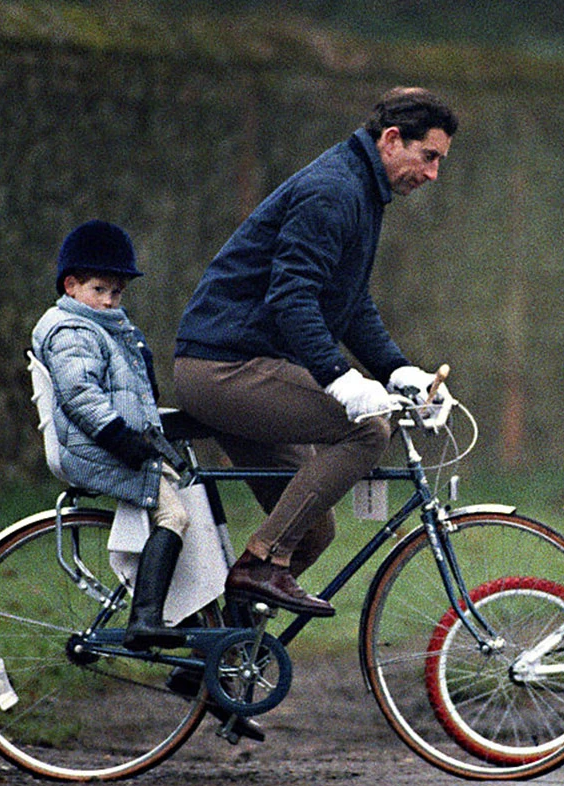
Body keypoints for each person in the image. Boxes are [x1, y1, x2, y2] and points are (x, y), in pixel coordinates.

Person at [174, 87, 458, 618]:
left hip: (239, 365)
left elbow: (348, 304)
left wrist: (399, 372)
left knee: (308, 533)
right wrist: (338, 378)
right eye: (430, 157)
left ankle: (208, 653)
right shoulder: (335, 190)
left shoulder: (360, 189)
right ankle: (259, 565)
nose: (435, 173)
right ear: (392, 140)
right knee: (367, 428)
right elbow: (293, 296)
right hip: (222, 368)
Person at [31, 219, 190, 652]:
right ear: (70, 285)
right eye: (99, 290)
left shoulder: (104, 329)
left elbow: (131, 395)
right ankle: (146, 620)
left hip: (116, 443)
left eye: (116, 293)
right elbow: (82, 396)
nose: (108, 300)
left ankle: (192, 621)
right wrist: (125, 442)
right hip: (100, 448)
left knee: (192, 500)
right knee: (175, 516)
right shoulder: (72, 330)